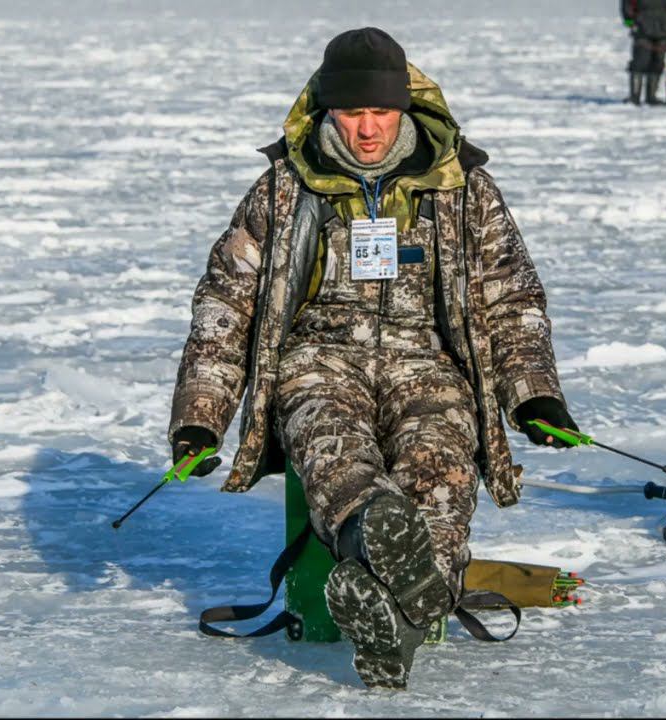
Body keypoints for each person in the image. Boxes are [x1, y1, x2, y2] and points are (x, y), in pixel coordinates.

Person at [166, 27, 578, 690]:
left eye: (379, 112)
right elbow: (225, 305)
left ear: (405, 108)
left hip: (429, 362)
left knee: (442, 468)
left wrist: (533, 395)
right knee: (333, 448)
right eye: (352, 112)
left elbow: (511, 296)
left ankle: (395, 621)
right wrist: (200, 418)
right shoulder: (282, 189)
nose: (366, 129)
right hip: (318, 360)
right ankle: (373, 532)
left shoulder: (462, 187)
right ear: (328, 110)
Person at [621, 0, 666, 105]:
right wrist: (628, 18)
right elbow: (628, 3)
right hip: (642, 30)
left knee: (657, 63)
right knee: (640, 62)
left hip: (664, 30)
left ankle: (651, 97)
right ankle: (634, 97)